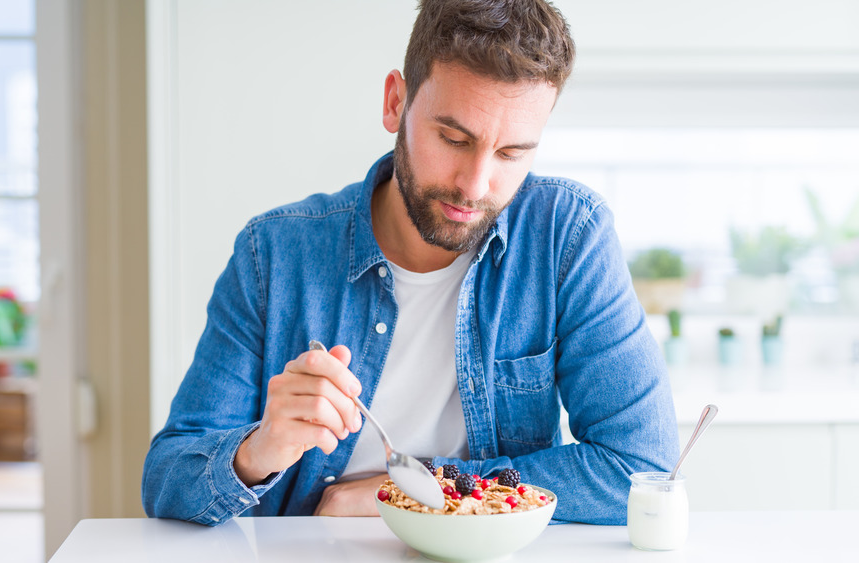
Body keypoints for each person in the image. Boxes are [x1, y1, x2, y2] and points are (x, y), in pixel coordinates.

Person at [142, 0, 678, 526]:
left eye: (512, 153)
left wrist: (423, 491)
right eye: (453, 138)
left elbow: (641, 467)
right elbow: (167, 481)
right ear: (396, 102)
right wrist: (257, 451)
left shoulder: (568, 237)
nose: (475, 185)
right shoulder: (273, 254)